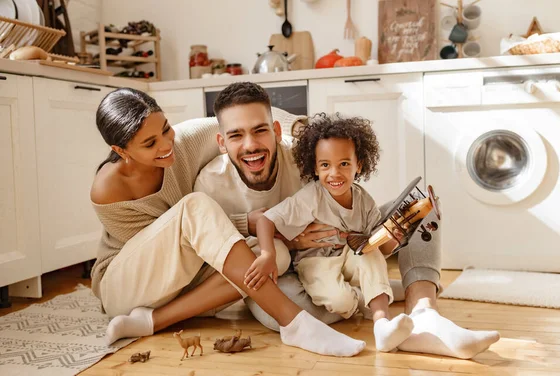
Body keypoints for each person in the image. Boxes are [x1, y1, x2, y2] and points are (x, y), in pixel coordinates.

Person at [195, 82, 500, 359]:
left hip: (343, 246)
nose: (250, 145)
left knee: (422, 209)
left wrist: (385, 235)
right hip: (286, 268)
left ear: (276, 130)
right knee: (287, 315)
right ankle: (381, 297)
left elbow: (354, 212)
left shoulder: (304, 157)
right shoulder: (210, 184)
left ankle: (424, 314)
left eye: (260, 130)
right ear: (222, 142)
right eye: (236, 135)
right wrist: (284, 240)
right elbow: (213, 248)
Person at [88, 87, 367, 357]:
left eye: (165, 129)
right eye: (150, 144)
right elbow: (161, 247)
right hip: (127, 284)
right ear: (121, 151)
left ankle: (153, 321)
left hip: (184, 276)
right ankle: (294, 323)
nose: (165, 144)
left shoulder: (186, 140)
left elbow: (250, 117)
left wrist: (302, 131)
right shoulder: (108, 188)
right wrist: (245, 222)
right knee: (196, 205)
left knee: (271, 256)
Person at [250, 113, 414, 352]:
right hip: (316, 263)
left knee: (369, 253)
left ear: (359, 165)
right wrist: (267, 254)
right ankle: (369, 295)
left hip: (349, 257)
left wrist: (395, 237)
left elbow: (381, 250)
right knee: (342, 301)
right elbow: (266, 220)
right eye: (325, 165)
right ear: (315, 168)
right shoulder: (311, 197)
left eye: (344, 164)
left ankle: (381, 323)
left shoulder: (364, 200)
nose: (334, 173)